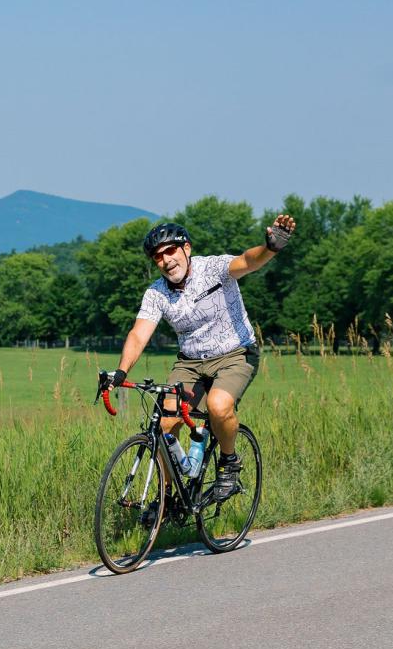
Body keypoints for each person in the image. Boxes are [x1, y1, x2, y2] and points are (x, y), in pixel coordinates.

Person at [100, 214, 295, 500]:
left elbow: (247, 261)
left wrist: (270, 248)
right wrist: (121, 371)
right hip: (190, 362)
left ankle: (229, 465)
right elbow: (139, 334)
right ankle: (168, 496)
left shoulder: (213, 268)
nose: (166, 260)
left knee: (218, 406)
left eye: (170, 251)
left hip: (235, 353)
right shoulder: (156, 293)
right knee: (165, 423)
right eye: (157, 257)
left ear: (186, 249)